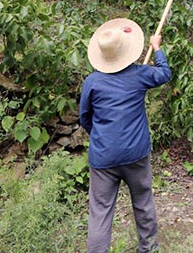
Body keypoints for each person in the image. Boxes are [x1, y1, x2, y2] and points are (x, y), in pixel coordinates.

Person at [80, 18, 172, 253]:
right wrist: (157, 47)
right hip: (135, 155)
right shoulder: (140, 74)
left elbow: (85, 118)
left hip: (103, 157)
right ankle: (149, 248)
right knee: (143, 202)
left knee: (100, 211)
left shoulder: (92, 82)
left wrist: (101, 136)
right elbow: (164, 73)